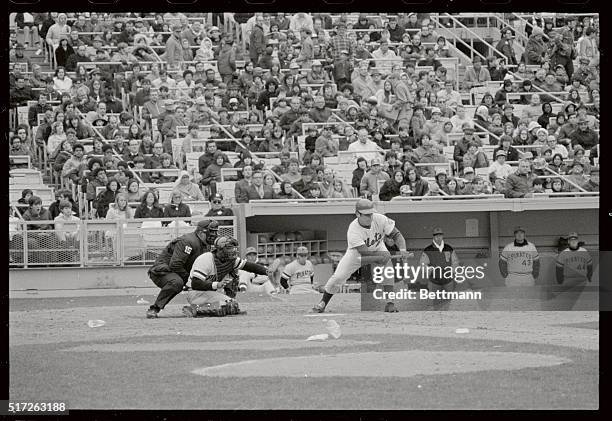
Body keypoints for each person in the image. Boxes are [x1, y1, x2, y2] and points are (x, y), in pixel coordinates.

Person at [312, 199, 411, 314]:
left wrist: (402, 249)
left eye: (371, 213)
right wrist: (383, 255)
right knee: (339, 277)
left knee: (388, 271)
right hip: (357, 253)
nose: (370, 217)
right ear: (357, 214)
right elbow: (366, 253)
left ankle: (390, 303)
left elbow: (397, 235)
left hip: (378, 246)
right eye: (366, 214)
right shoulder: (353, 229)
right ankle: (323, 302)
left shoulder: (380, 219)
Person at [181, 236, 274, 317]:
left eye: (233, 248)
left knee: (231, 303)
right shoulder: (206, 259)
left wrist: (265, 271)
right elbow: (195, 284)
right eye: (229, 248)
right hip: (195, 292)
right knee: (227, 305)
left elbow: (248, 266)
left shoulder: (230, 260)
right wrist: (216, 285)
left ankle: (222, 303)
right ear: (220, 249)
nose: (233, 250)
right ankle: (193, 310)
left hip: (209, 292)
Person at [146, 220, 219, 318]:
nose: (214, 235)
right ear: (201, 233)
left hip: (181, 272)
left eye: (215, 232)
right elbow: (175, 264)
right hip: (163, 271)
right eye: (212, 232)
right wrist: (190, 280)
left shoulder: (206, 244)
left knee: (207, 282)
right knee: (177, 283)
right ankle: (154, 308)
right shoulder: (188, 241)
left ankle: (200, 308)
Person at [418, 227, 460, 310]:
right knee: (435, 302)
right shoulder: (428, 250)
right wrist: (431, 271)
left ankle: (447, 319)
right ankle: (436, 319)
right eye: (436, 235)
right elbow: (422, 264)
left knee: (448, 302)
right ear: (433, 237)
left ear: (442, 236)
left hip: (448, 280)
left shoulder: (449, 248)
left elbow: (455, 262)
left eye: (440, 235)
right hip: (434, 281)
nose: (438, 237)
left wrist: (450, 271)